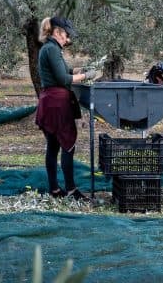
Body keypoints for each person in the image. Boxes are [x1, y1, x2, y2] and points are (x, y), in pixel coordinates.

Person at [35, 16, 96, 200]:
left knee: (53, 146)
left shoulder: (50, 48)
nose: (67, 38)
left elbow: (62, 72)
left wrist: (76, 71)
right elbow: (63, 80)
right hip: (57, 104)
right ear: (57, 32)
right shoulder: (52, 49)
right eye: (66, 34)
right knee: (68, 145)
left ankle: (54, 189)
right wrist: (86, 75)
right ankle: (71, 190)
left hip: (49, 102)